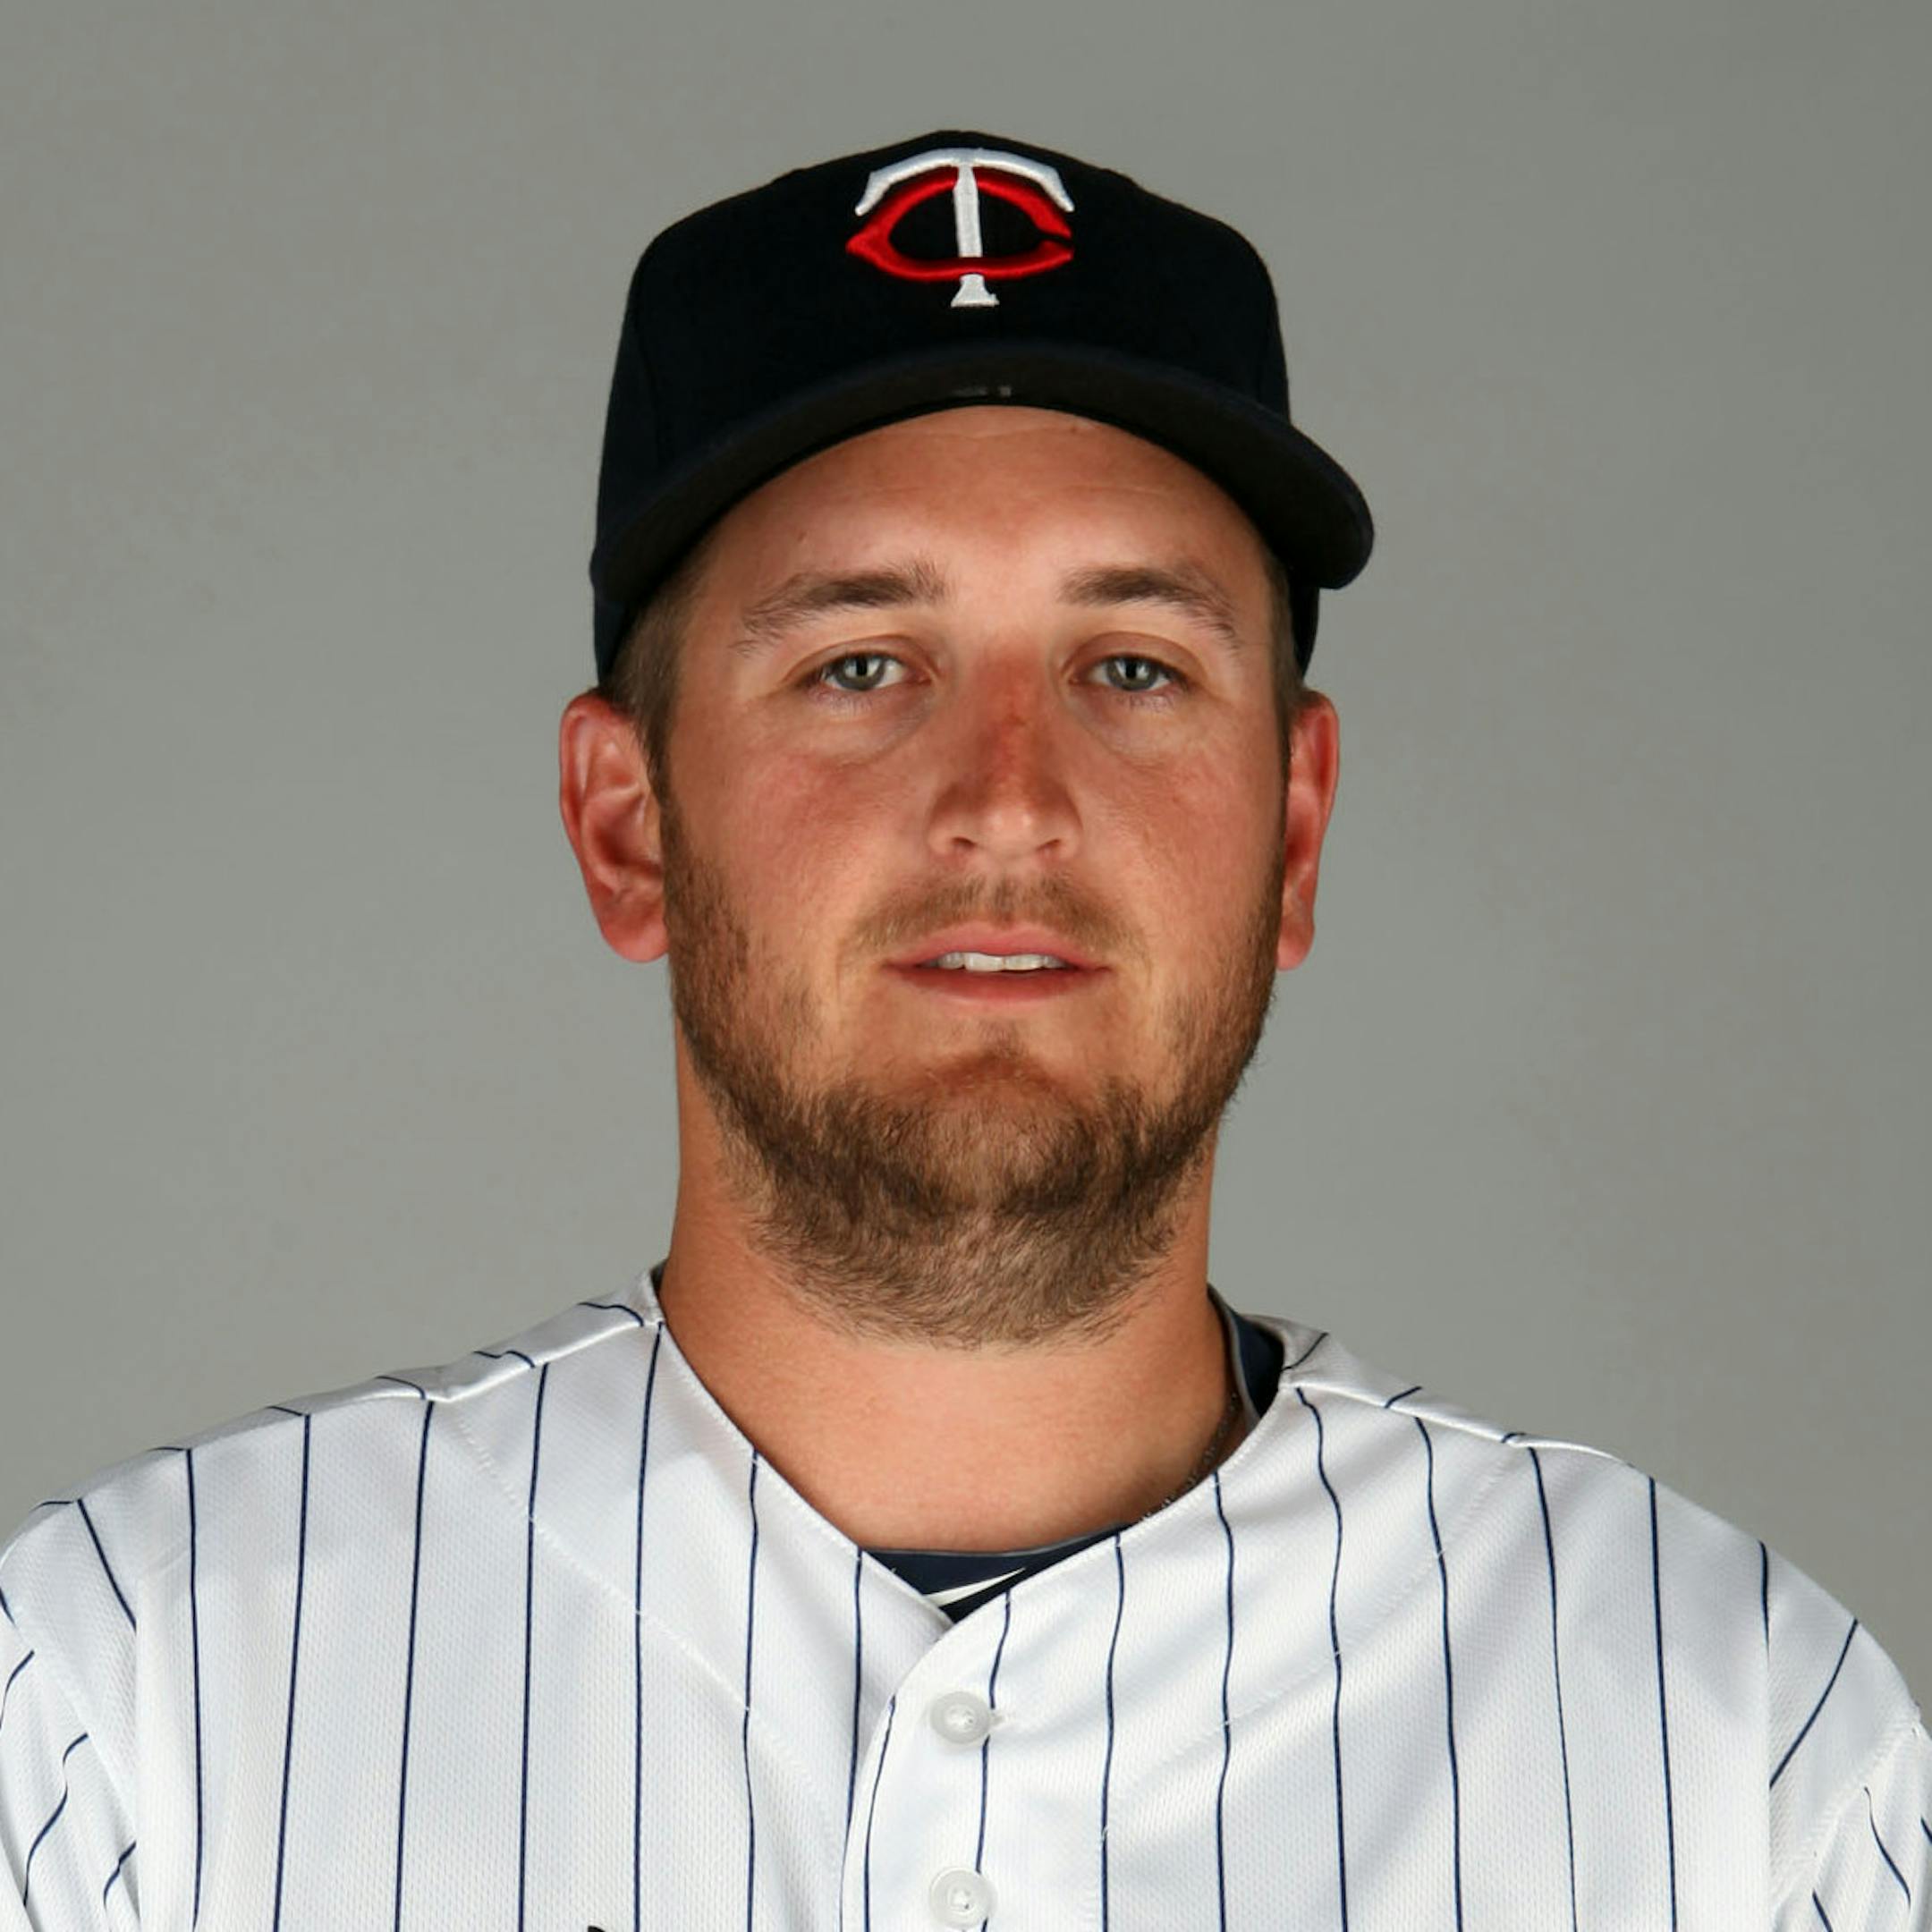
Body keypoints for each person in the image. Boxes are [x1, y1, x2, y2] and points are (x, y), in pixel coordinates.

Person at [1, 128, 1923, 1931]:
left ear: (1296, 829)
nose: (1009, 800)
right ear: (628, 824)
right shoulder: (137, 1709)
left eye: (1132, 667)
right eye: (860, 664)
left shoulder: (1734, 1749)